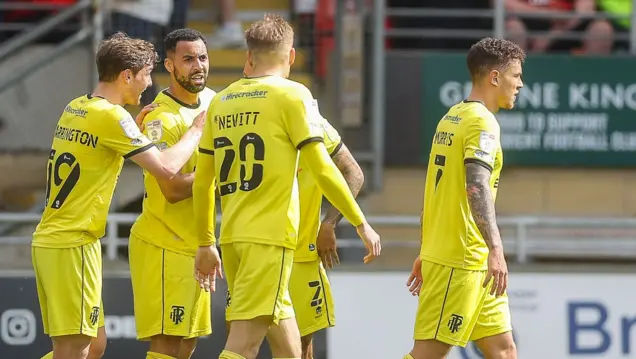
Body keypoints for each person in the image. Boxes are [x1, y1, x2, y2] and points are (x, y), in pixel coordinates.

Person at [192, 14, 382, 359]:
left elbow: (204, 180)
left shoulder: (220, 101)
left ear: (248, 58)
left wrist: (206, 241)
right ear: (291, 56)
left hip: (233, 237)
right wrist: (360, 222)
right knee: (244, 343)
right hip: (270, 238)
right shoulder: (293, 95)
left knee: (289, 345)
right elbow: (323, 167)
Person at [31, 32, 205, 359]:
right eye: (145, 75)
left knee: (94, 345)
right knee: (75, 349)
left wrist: (134, 132)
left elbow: (100, 149)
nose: (149, 83)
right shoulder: (112, 117)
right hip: (73, 243)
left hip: (54, 241)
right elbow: (167, 168)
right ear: (127, 75)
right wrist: (196, 130)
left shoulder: (77, 106)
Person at [402, 37, 524, 359]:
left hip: (475, 261)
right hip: (462, 259)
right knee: (427, 355)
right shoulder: (483, 122)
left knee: (504, 350)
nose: (520, 84)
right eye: (516, 75)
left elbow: (436, 189)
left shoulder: (452, 116)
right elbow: (476, 185)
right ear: (495, 78)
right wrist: (497, 248)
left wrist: (427, 247)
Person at [240, 62, 365, 359]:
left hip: (301, 256)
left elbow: (354, 174)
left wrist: (328, 223)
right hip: (259, 251)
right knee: (247, 342)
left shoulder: (316, 126)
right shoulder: (248, 125)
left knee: (300, 348)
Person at [129, 28, 215, 359]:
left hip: (194, 244)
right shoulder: (160, 118)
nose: (198, 66)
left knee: (187, 344)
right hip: (164, 242)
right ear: (170, 65)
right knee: (167, 343)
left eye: (203, 57)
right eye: (188, 59)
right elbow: (173, 189)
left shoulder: (213, 102)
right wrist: (220, 174)